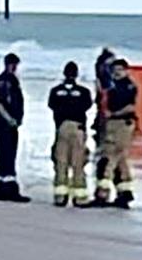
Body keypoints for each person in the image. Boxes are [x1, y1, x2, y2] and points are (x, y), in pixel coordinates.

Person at [48, 62, 93, 207]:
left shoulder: (56, 91)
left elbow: (52, 105)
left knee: (61, 162)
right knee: (78, 163)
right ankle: (80, 197)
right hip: (78, 128)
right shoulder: (84, 91)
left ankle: (60, 196)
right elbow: (87, 106)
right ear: (76, 74)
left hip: (61, 127)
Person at [94, 58, 137, 209]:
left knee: (109, 158)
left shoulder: (128, 86)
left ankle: (102, 194)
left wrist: (112, 114)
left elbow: (131, 107)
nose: (117, 73)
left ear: (126, 70)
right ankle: (124, 193)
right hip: (114, 124)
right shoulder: (114, 86)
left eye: (120, 70)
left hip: (121, 124)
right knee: (121, 160)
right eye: (115, 70)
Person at [0, 53, 30, 203]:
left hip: (5, 124)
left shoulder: (7, 80)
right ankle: (9, 188)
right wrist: (10, 119)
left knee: (5, 154)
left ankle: (0, 187)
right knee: (8, 154)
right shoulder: (4, 82)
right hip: (5, 124)